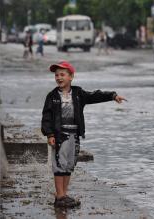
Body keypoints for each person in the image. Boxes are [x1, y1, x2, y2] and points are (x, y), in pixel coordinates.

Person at [41, 61, 126, 208]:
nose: (59, 77)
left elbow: (95, 95)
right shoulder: (52, 96)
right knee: (59, 166)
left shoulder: (79, 93)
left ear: (71, 77)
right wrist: (49, 134)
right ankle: (59, 196)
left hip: (74, 134)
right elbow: (46, 117)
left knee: (68, 165)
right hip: (59, 135)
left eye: (62, 74)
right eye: (56, 75)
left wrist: (112, 96)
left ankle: (64, 194)